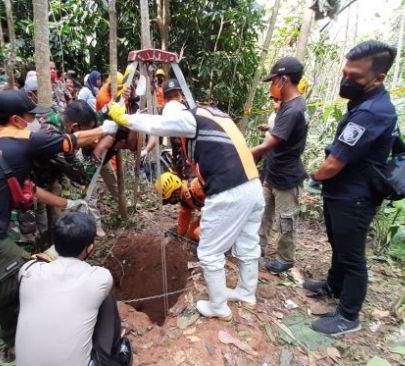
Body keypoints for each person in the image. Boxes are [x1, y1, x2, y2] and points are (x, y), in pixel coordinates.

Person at [0, 89, 119, 348]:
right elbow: (69, 142)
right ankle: (47, 344)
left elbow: (29, 187)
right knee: (32, 282)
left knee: (2, 296)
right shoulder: (21, 141)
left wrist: (69, 203)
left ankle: (12, 343)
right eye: (30, 118)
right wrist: (104, 130)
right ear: (17, 121)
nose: (35, 124)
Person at [108, 79, 264, 319]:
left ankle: (218, 307)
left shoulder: (189, 117)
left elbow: (158, 124)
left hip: (229, 189)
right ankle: (246, 291)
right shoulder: (215, 114)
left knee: (210, 252)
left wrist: (127, 118)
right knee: (247, 243)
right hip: (252, 185)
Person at [307, 40, 399, 336]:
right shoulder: (363, 104)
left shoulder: (372, 112)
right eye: (346, 73)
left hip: (354, 196)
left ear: (379, 78)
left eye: (355, 77)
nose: (347, 80)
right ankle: (333, 286)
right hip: (342, 192)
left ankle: (348, 316)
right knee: (338, 244)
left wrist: (314, 176)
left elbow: (335, 162)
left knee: (352, 256)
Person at [16, 212, 133, 366]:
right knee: (106, 300)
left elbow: (46, 258)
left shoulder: (28, 270)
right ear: (90, 247)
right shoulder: (99, 278)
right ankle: (110, 360)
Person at [249, 57, 308, 275]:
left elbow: (271, 142)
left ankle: (285, 259)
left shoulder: (294, 109)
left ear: (284, 80)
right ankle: (257, 249)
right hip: (272, 172)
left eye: (273, 81)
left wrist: (249, 154)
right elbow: (276, 133)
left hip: (286, 176)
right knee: (262, 213)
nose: (272, 87)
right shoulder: (287, 105)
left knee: (286, 219)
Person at [156, 171, 205, 242]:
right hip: (215, 213)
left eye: (170, 199)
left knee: (198, 233)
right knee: (192, 231)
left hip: (222, 210)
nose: (171, 201)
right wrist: (178, 234)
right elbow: (184, 217)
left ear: (174, 192)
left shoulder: (195, 186)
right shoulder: (185, 198)